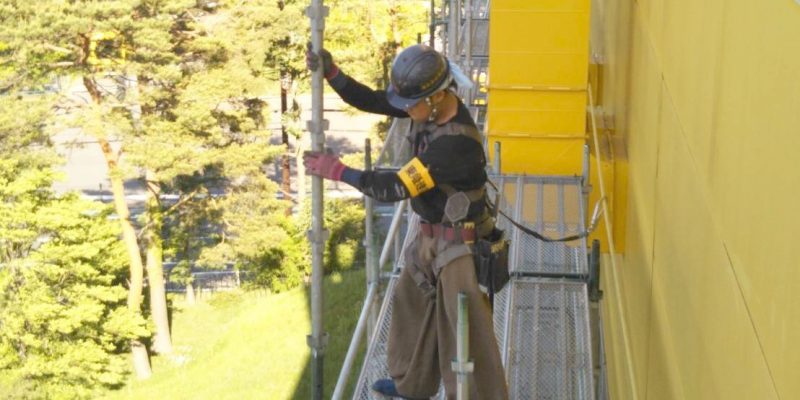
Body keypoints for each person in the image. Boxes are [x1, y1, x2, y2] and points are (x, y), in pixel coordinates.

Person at [305, 44, 508, 400]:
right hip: (430, 237)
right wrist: (333, 73)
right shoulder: (424, 108)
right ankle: (410, 387)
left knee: (466, 337)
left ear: (437, 96)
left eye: (410, 104)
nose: (404, 111)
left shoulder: (455, 143)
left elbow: (395, 186)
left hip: (461, 246)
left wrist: (338, 171)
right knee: (408, 305)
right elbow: (372, 101)